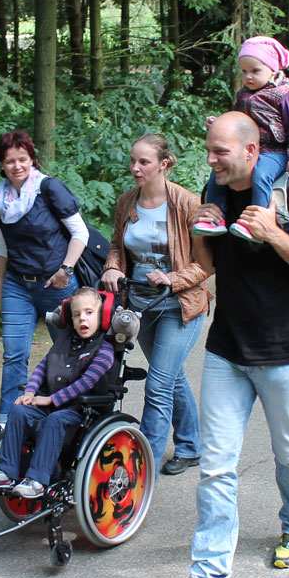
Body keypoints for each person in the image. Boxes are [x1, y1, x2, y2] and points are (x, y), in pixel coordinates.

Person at [157, 112, 289, 578]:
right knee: (216, 468)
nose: (211, 159)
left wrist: (275, 235)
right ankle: (210, 576)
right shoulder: (212, 196)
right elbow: (207, 266)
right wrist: (195, 238)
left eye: (220, 151)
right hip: (227, 351)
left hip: (285, 351)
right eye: (209, 150)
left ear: (251, 152)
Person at [100, 134, 212, 476]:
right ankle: (191, 446)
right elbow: (117, 246)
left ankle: (140, 466)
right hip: (140, 305)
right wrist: (112, 267)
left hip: (180, 305)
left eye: (144, 162)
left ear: (163, 164)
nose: (135, 168)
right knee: (171, 377)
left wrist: (172, 279)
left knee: (159, 383)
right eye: (133, 161)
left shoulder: (187, 204)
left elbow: (206, 264)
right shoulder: (126, 202)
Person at [0, 130, 88, 451]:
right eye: (10, 161)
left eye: (22, 159)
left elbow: (79, 233)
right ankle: (6, 422)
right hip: (17, 284)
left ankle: (72, 413)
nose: (17, 166)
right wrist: (1, 289)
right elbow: (2, 248)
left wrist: (65, 270)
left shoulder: (48, 189)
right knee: (14, 354)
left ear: (31, 159)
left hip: (56, 284)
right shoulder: (1, 199)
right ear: (1, 164)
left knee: (68, 352)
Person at [0, 287, 114, 498]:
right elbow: (43, 367)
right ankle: (6, 471)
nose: (82, 319)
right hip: (51, 405)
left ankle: (38, 480)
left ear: (101, 314)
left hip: (82, 411)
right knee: (19, 410)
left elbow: (87, 382)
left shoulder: (105, 348)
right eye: (76, 315)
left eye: (88, 312)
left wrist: (51, 398)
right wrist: (30, 392)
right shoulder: (65, 341)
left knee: (55, 420)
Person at [193, 35, 289, 244]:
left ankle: (255, 222)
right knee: (217, 176)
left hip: (274, 151)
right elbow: (239, 122)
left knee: (261, 175)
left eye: (255, 71)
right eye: (244, 71)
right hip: (249, 149)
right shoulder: (244, 94)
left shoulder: (284, 95)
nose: (249, 77)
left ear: (272, 69)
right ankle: (215, 218)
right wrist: (220, 123)